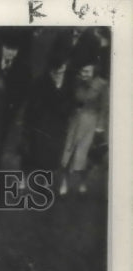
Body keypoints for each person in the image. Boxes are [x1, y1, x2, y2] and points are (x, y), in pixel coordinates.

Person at [60, 62, 108, 196]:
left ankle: (82, 182)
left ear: (94, 71)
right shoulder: (76, 81)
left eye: (87, 71)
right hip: (75, 120)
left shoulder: (101, 85)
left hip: (91, 122)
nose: (83, 74)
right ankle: (64, 182)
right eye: (82, 71)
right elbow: (71, 99)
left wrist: (100, 127)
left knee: (86, 154)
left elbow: (104, 107)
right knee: (68, 151)